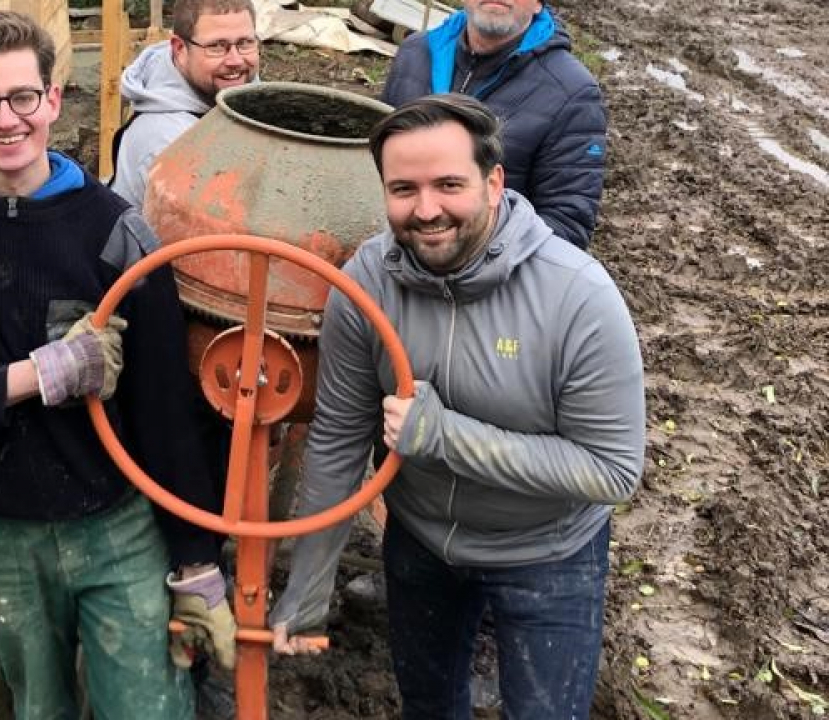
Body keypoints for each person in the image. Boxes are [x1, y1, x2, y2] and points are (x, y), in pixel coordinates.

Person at [0, 12, 234, 720]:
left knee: (150, 708)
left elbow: (163, 412)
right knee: (40, 708)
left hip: (114, 525)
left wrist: (196, 557)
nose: (8, 120)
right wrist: (40, 375)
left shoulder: (113, 234)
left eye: (23, 97)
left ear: (54, 100)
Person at [270, 94, 645, 719]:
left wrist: (446, 437)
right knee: (430, 707)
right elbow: (337, 439)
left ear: (494, 181)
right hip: (420, 544)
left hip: (545, 553)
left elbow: (612, 470)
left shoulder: (577, 297)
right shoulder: (365, 285)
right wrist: (308, 588)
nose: (426, 210)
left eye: (449, 184)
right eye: (403, 189)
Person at [381, 0, 606, 250]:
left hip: (484, 278)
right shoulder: (415, 53)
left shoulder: (572, 92)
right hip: (394, 261)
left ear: (538, 4)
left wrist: (472, 266)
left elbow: (566, 224)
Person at [109, 0, 260, 211]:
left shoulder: (222, 85)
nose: (235, 60)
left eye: (245, 43)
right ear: (180, 49)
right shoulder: (168, 142)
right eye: (217, 46)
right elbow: (206, 235)